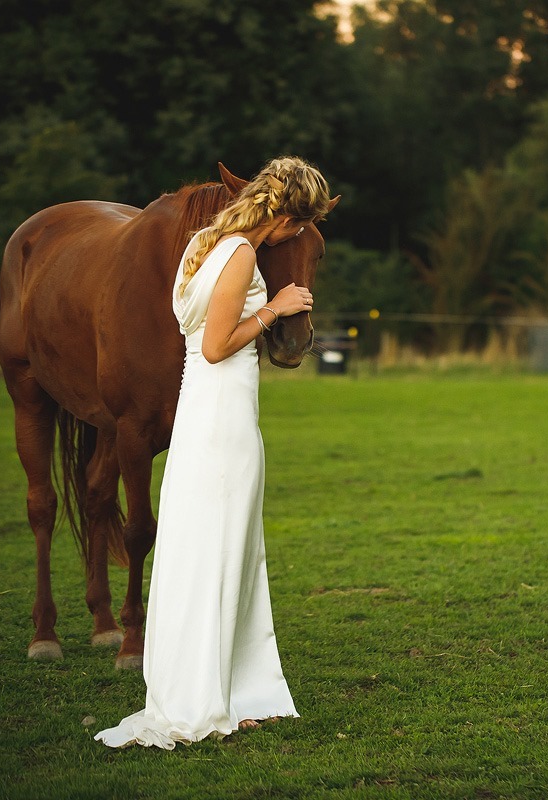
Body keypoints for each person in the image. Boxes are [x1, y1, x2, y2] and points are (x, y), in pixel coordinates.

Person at [95, 156, 333, 749]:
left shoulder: (207, 241)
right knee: (224, 552)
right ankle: (206, 699)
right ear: (281, 215)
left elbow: (191, 324)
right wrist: (275, 310)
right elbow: (215, 344)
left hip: (205, 413)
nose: (296, 239)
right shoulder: (242, 254)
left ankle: (228, 687)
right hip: (222, 416)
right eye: (298, 227)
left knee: (212, 552)